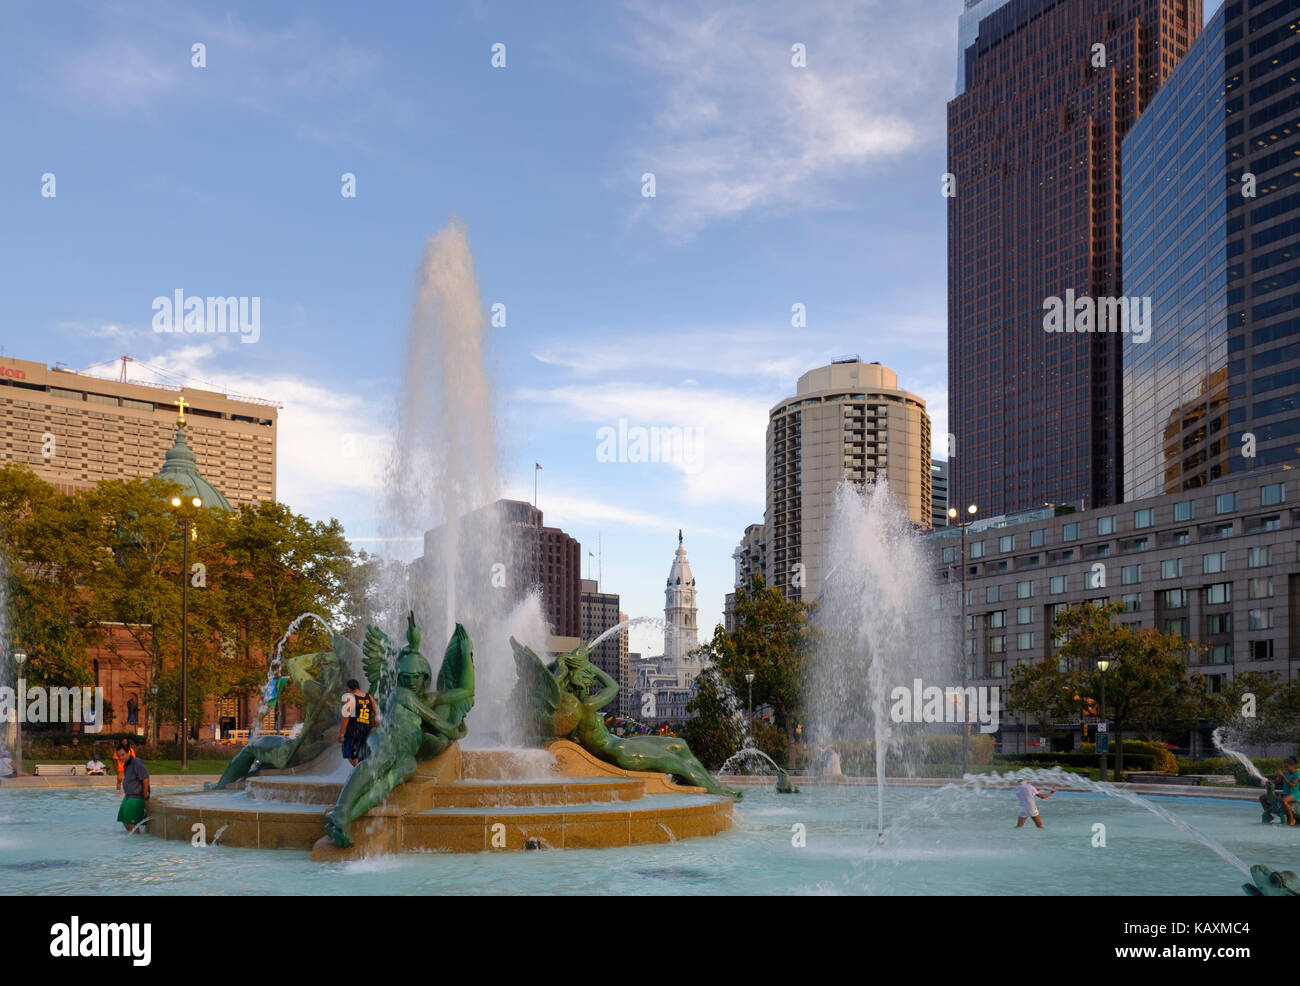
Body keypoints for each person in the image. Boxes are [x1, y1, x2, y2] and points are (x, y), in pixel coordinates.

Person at [338, 678, 378, 766]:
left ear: (349, 689)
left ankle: (358, 767)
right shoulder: (369, 697)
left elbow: (346, 717)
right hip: (367, 729)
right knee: (361, 753)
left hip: (353, 730)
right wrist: (375, 727)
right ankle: (363, 767)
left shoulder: (351, 698)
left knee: (347, 751)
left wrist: (341, 734)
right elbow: (377, 714)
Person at [116, 748, 150, 833]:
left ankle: (137, 840)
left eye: (123, 755)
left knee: (131, 823)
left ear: (129, 753)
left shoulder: (136, 762)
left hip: (136, 797)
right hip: (128, 796)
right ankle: (133, 840)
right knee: (123, 819)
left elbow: (145, 778)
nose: (121, 758)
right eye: (119, 756)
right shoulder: (126, 764)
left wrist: (145, 792)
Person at [1261, 756, 1299, 826]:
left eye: (1287, 767)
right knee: (1262, 797)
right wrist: (1268, 781)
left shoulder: (1297, 775)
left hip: (1293, 794)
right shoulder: (1285, 772)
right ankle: (1269, 815)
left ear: (1292, 766)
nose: (1285, 769)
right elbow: (1276, 781)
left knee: (1284, 801)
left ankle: (1292, 818)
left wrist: (1283, 777)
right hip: (1284, 793)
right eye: (1284, 767)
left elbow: (1292, 785)